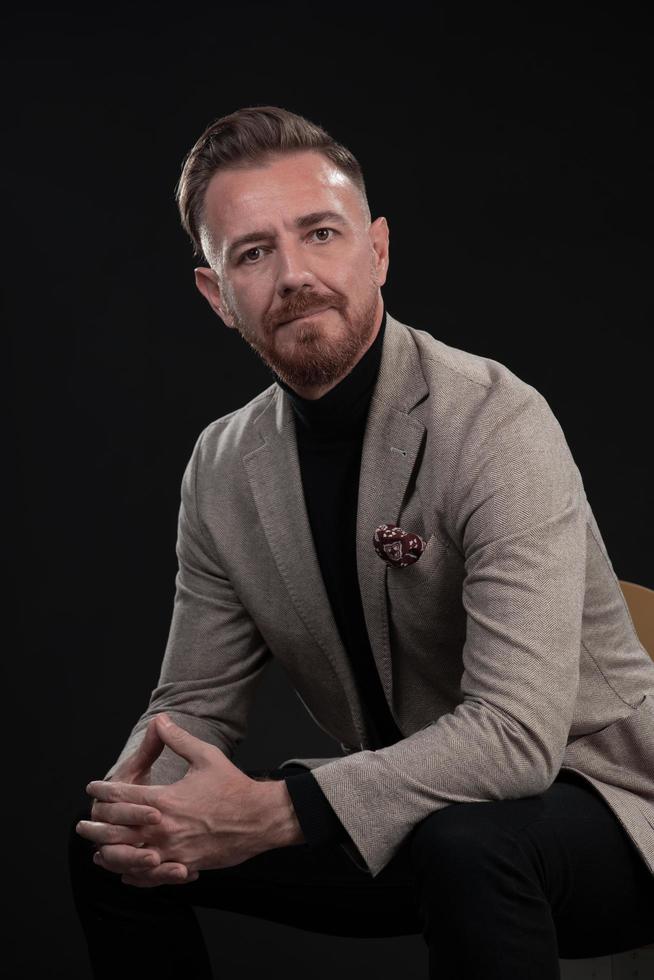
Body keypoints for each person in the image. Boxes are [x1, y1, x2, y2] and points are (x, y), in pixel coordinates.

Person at [68, 105, 654, 979]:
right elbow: (191, 701)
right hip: (407, 810)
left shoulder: (498, 421)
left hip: (608, 805)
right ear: (216, 294)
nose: (295, 274)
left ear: (376, 249)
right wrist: (139, 801)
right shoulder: (222, 465)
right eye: (254, 253)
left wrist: (279, 809)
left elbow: (518, 739)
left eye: (321, 233)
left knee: (470, 847)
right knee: (109, 849)